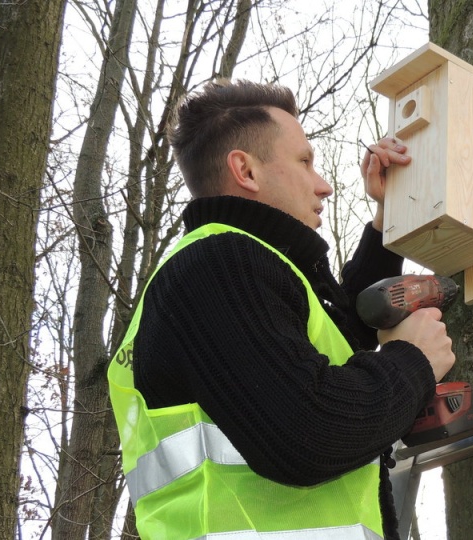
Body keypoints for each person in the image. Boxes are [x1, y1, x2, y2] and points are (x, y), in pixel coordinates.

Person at [108, 79, 455, 540]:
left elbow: (340, 337)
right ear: (245, 171)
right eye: (305, 162)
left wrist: (386, 218)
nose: (324, 185)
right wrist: (413, 363)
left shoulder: (240, 271)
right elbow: (308, 431)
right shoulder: (216, 267)